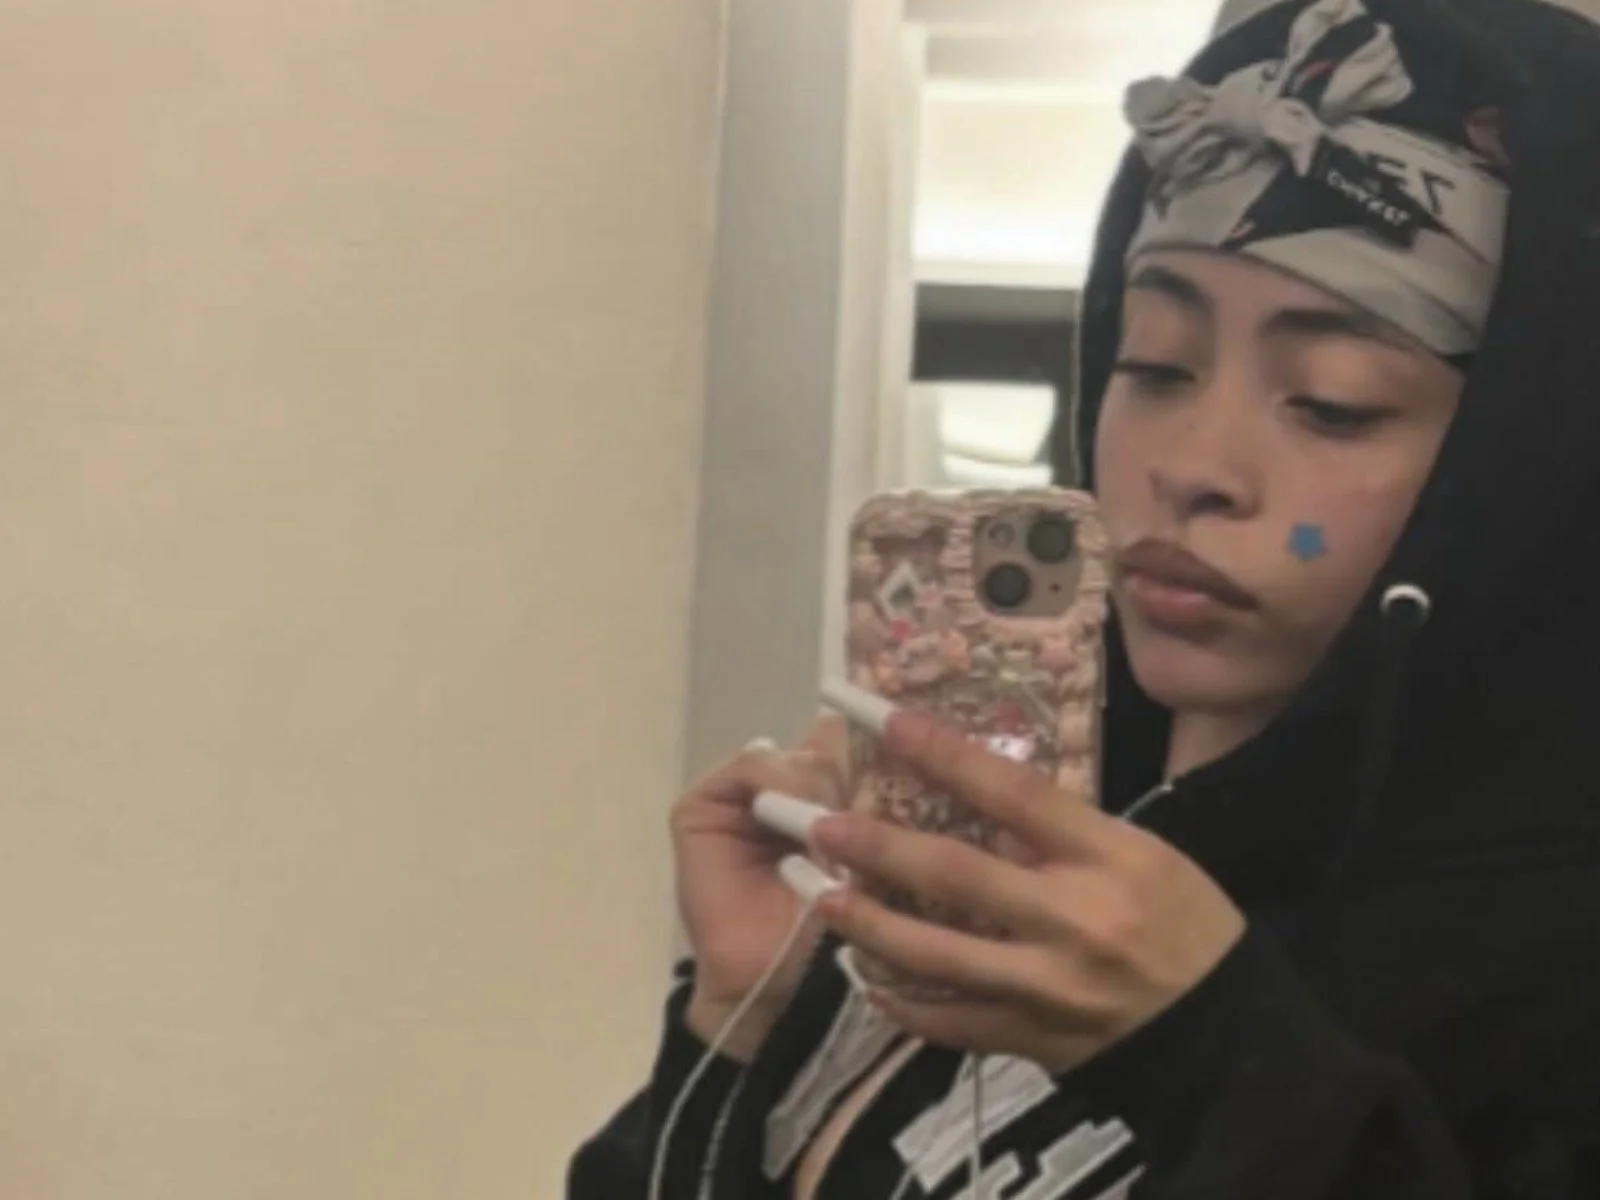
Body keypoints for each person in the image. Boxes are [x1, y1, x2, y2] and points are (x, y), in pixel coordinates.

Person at [570, 0, 1600, 1194]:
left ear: (1535, 467)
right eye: (1154, 366)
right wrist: (744, 1032)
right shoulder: (1011, 882)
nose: (1192, 467)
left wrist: (1210, 1051)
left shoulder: (1551, 984)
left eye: (1332, 402)